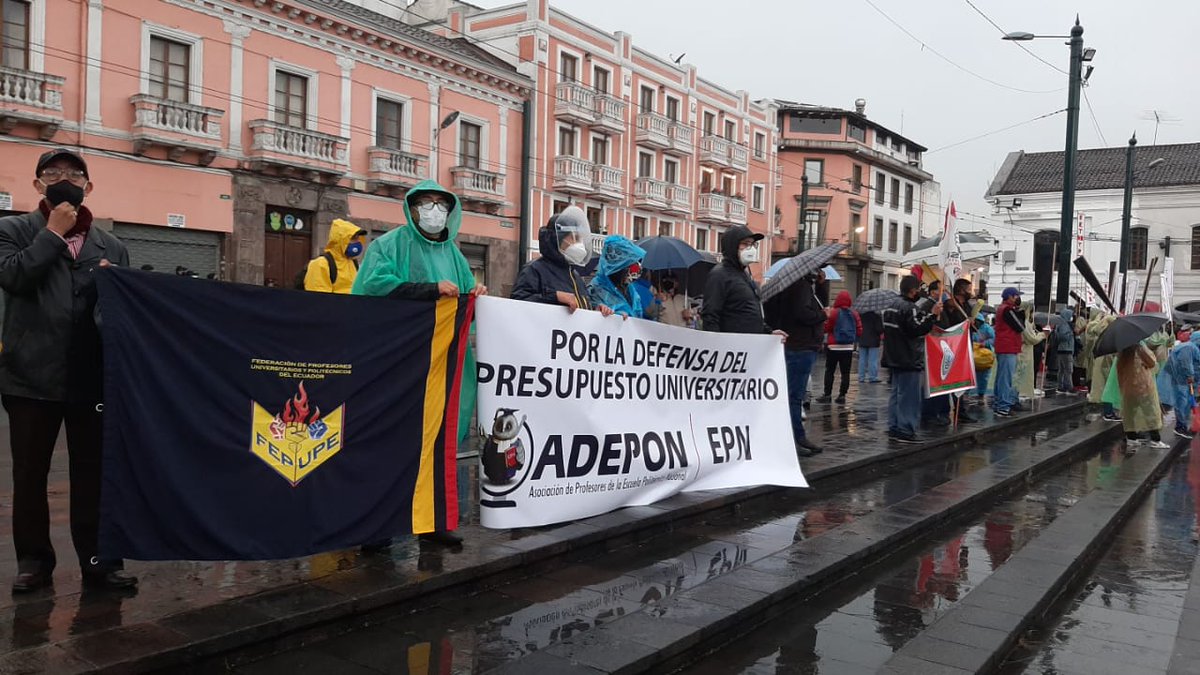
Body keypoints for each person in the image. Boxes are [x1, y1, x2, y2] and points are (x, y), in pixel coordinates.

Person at [0, 148, 136, 592]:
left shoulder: (111, 245)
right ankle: (34, 563)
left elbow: (121, 315)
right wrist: (53, 234)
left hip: (90, 377)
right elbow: (15, 277)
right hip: (29, 375)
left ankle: (100, 562)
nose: (64, 179)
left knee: (95, 474)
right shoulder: (12, 230)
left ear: (88, 187)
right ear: (38, 184)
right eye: (53, 173)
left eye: (74, 174)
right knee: (30, 474)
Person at [352, 179, 485, 548]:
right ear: (410, 208)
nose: (432, 210)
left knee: (438, 444)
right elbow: (373, 287)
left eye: (440, 204)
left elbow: (464, 307)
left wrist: (475, 296)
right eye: (425, 203)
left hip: (440, 365)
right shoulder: (388, 245)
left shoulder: (455, 255)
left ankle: (433, 522)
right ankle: (376, 528)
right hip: (398, 365)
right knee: (390, 443)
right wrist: (428, 290)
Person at [705, 226, 818, 457]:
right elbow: (711, 315)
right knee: (730, 406)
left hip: (750, 355)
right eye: (743, 245)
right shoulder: (720, 275)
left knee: (748, 405)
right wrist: (715, 352)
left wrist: (769, 332)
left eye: (751, 245)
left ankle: (748, 447)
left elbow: (750, 314)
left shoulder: (744, 275)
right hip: (731, 355)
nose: (750, 249)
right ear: (730, 248)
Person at [511, 207, 612, 316]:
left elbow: (579, 307)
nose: (580, 243)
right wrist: (555, 296)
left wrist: (596, 310)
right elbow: (517, 302)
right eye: (575, 238)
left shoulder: (575, 275)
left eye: (580, 239)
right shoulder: (535, 269)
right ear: (557, 238)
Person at [764, 270, 825, 443]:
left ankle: (795, 437)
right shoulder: (801, 287)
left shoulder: (795, 286)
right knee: (794, 396)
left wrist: (821, 286)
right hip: (801, 345)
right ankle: (796, 437)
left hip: (797, 344)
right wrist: (823, 315)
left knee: (793, 394)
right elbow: (804, 314)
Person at [883, 275, 941, 443]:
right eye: (918, 289)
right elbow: (917, 328)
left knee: (896, 393)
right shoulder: (909, 308)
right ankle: (906, 429)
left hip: (893, 356)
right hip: (908, 356)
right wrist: (932, 316)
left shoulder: (890, 306)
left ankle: (894, 426)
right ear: (913, 290)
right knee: (909, 396)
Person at [1118, 342, 1168, 450]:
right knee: (1151, 412)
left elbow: (1119, 370)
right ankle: (1155, 439)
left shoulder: (1122, 351)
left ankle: (1131, 438)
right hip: (1143, 385)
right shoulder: (1140, 348)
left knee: (1129, 412)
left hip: (1128, 386)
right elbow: (1152, 363)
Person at [588, 235, 647, 318]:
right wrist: (615, 316)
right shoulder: (596, 290)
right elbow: (591, 317)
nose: (635, 271)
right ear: (618, 265)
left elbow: (638, 315)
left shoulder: (629, 289)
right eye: (632, 266)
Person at [302, 218, 366, 293]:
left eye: (358, 238)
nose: (357, 242)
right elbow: (319, 299)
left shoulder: (353, 263)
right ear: (340, 240)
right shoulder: (321, 264)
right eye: (353, 238)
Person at [819, 290, 861, 404]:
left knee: (830, 371)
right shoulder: (854, 313)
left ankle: (827, 395)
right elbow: (859, 330)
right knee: (845, 373)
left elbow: (826, 328)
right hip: (848, 348)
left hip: (833, 346)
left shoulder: (834, 312)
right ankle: (842, 395)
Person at [1159, 333, 1200, 438]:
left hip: (1183, 379)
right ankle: (1180, 427)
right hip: (1181, 379)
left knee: (1184, 402)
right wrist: (1190, 375)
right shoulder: (1189, 348)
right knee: (1182, 402)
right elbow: (1186, 362)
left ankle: (1183, 425)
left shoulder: (1191, 347)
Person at [992, 287, 1024, 417]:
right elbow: (1020, 326)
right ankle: (1003, 406)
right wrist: (1021, 315)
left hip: (1004, 346)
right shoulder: (1007, 310)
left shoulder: (1001, 309)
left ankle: (998, 403)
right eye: (1016, 296)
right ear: (1010, 296)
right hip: (1008, 346)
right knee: (1006, 378)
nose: (1018, 299)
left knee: (1001, 377)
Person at [973, 314, 996, 402]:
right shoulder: (971, 327)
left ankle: (981, 393)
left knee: (984, 375)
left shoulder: (987, 328)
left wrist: (985, 343)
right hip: (973, 354)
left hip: (984, 355)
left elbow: (993, 339)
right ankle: (968, 393)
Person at [858, 310, 883, 385]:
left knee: (862, 359)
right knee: (873, 360)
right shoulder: (876, 316)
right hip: (873, 340)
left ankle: (861, 377)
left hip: (862, 339)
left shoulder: (861, 314)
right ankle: (872, 377)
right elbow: (879, 329)